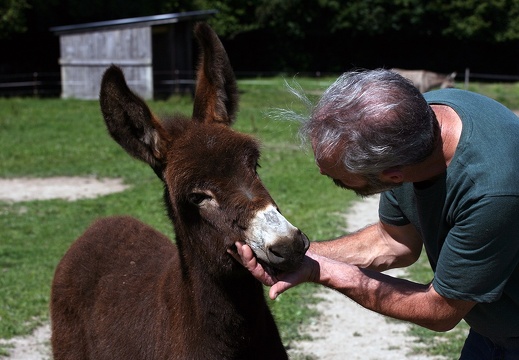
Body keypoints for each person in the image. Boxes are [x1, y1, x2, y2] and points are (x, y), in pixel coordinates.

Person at [230, 69, 519, 359]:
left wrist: (327, 272)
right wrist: (297, 260)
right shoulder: (410, 122)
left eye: (338, 176)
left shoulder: (492, 192)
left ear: (393, 176)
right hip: (492, 332)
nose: (321, 171)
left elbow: (440, 310)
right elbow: (394, 242)